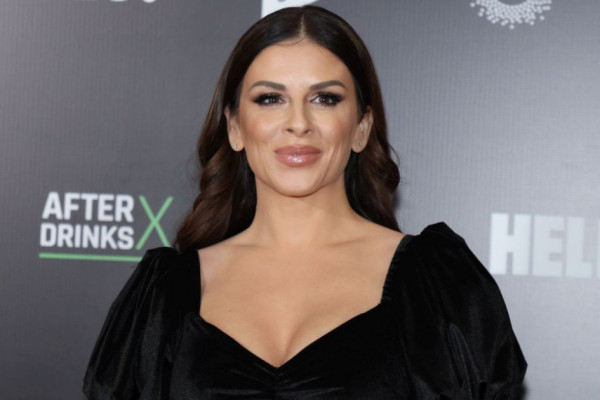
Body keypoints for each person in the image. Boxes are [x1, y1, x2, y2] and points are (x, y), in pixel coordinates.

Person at [83, 5, 526, 400]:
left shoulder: (438, 290)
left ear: (361, 128)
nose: (298, 123)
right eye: (270, 99)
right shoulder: (163, 296)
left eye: (325, 98)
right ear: (235, 127)